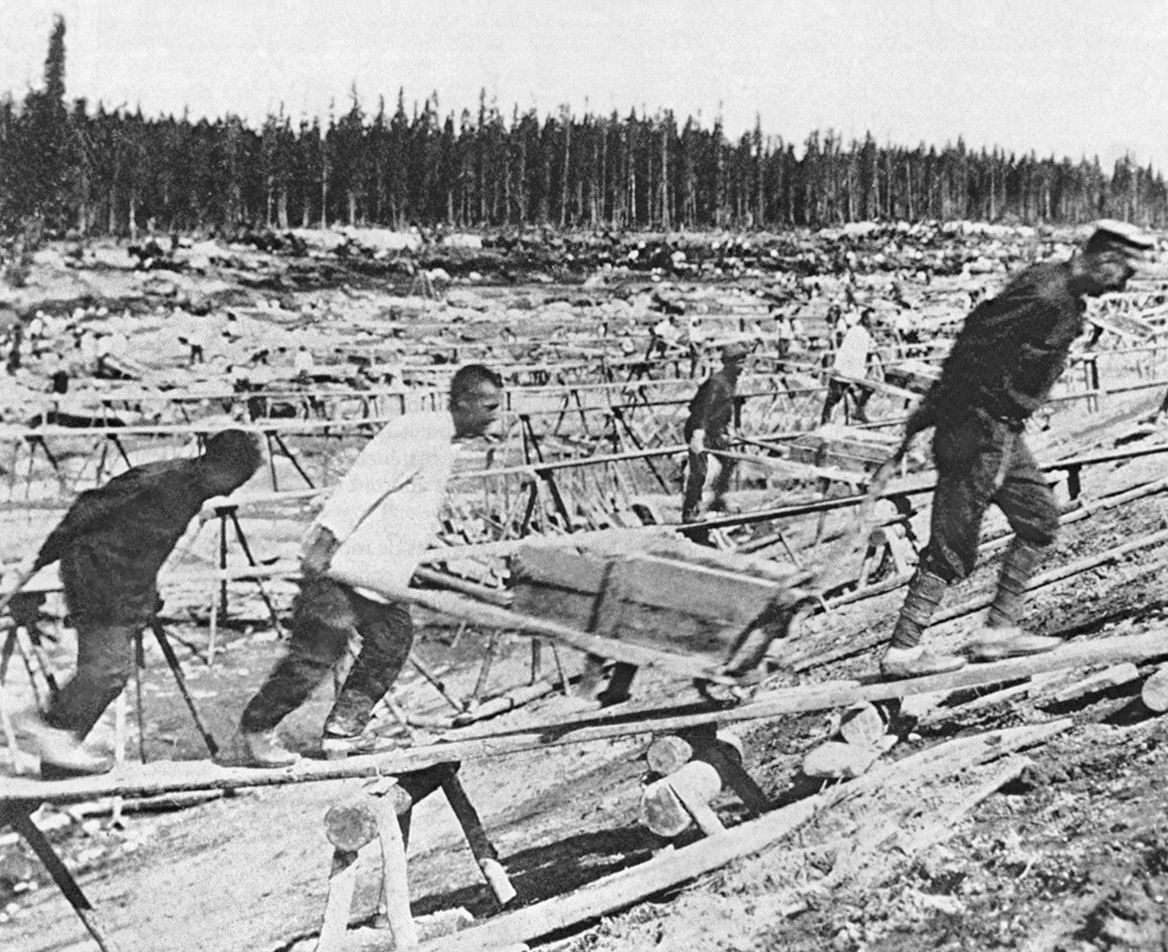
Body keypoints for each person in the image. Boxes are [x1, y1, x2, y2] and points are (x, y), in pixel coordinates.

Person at [876, 220, 1154, 679]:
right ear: (1105, 259)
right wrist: (933, 413)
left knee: (1039, 518)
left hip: (1004, 431)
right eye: (1124, 272)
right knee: (954, 543)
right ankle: (904, 651)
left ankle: (998, 632)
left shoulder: (1064, 298)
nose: (1124, 283)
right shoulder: (1044, 293)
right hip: (975, 428)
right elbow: (973, 343)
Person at [239, 364, 503, 765]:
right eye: (488, 406)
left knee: (392, 640)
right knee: (314, 658)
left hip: (376, 576)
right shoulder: (417, 432)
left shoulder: (447, 442)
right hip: (341, 569)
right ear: (463, 401)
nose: (493, 416)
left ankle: (343, 732)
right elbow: (362, 484)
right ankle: (257, 728)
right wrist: (326, 539)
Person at [14, 430, 263, 777]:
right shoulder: (162, 480)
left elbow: (146, 542)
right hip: (98, 573)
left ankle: (57, 744)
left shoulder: (192, 490)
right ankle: (51, 729)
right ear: (220, 465)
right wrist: (40, 560)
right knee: (110, 670)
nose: (234, 489)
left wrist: (147, 592)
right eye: (238, 478)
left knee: (111, 669)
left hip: (124, 580)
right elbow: (87, 508)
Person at [681, 341, 750, 523]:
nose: (742, 367)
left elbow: (727, 408)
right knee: (699, 472)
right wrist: (698, 436)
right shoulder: (716, 382)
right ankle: (690, 511)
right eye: (738, 363)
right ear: (728, 363)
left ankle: (718, 498)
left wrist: (731, 428)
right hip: (699, 429)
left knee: (730, 459)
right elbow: (701, 410)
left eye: (744, 362)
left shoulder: (731, 382)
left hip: (715, 431)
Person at [821, 308, 877, 424]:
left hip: (854, 370)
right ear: (866, 320)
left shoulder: (865, 333)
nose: (874, 322)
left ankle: (859, 411)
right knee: (833, 398)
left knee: (870, 387)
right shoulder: (856, 332)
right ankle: (824, 424)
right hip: (844, 369)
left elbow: (865, 353)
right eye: (872, 319)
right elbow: (850, 353)